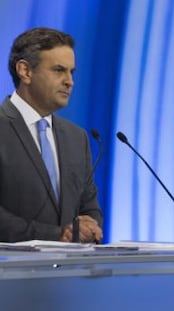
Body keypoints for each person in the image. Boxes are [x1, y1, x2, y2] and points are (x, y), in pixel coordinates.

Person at [0, 27, 103, 243]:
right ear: (25, 71)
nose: (69, 81)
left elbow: (90, 207)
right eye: (58, 70)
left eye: (71, 72)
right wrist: (56, 235)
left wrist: (89, 227)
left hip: (69, 273)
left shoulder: (77, 138)